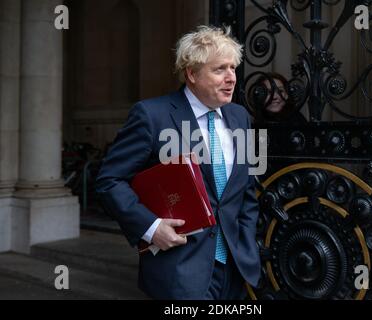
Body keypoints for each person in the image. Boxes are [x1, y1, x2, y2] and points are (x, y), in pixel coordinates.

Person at [95, 25, 261, 300]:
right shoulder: (151, 115)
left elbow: (247, 191)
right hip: (180, 272)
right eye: (219, 69)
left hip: (235, 269)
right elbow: (109, 181)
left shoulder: (240, 116)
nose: (231, 78)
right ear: (192, 74)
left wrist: (246, 243)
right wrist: (151, 228)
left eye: (233, 68)